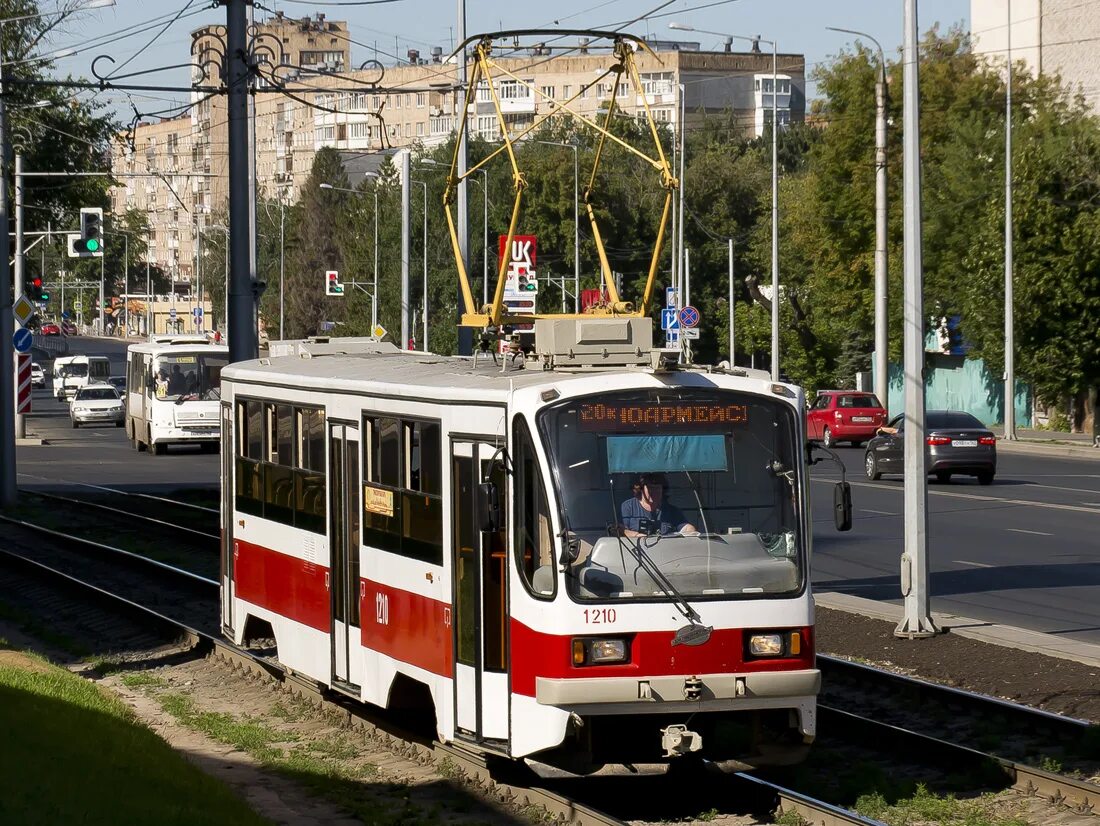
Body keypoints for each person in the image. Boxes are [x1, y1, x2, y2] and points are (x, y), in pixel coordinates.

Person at [619, 472, 697, 538]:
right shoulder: (628, 507)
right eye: (650, 488)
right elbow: (619, 530)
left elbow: (686, 528)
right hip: (637, 552)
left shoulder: (672, 511)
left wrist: (691, 530)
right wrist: (636, 535)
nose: (654, 492)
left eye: (657, 488)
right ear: (641, 489)